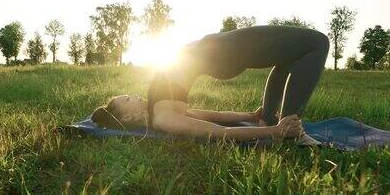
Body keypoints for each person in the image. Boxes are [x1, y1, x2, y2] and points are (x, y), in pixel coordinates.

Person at [92, 25, 330, 144]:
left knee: (293, 55)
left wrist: (249, 115)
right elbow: (220, 133)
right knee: (317, 43)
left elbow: (212, 116)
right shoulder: (165, 119)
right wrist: (273, 132)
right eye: (127, 100)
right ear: (128, 119)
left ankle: (269, 116)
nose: (133, 95)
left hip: (221, 49)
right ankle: (289, 131)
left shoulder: (160, 109)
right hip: (227, 50)